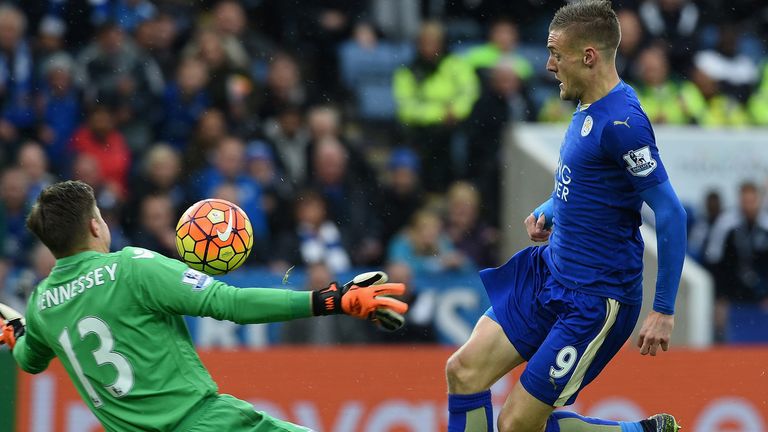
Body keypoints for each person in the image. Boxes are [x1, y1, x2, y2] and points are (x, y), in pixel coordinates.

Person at [444, 2, 687, 432]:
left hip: (595, 299)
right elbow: (591, 181)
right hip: (549, 273)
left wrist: (663, 309)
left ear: (588, 56)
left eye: (556, 53)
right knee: (463, 372)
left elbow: (669, 212)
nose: (548, 64)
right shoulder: (586, 104)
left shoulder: (623, 123)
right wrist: (551, 208)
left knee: (517, 423)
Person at [0, 180, 407, 431]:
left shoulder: (41, 304)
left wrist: (15, 332)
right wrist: (331, 299)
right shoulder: (130, 267)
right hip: (203, 423)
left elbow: (29, 360)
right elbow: (228, 302)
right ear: (94, 225)